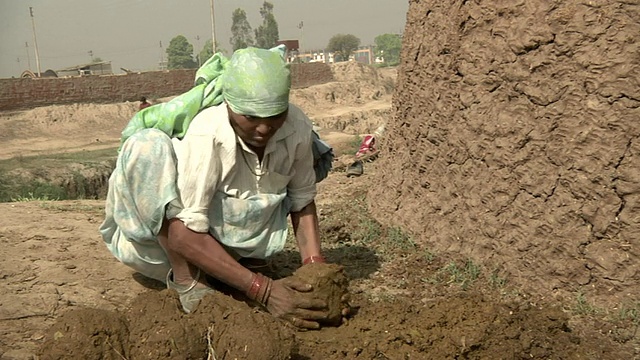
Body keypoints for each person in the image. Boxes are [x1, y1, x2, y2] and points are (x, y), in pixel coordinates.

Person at [100, 46, 344, 329]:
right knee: (147, 146)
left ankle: (242, 265)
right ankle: (188, 280)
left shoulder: (296, 125)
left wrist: (314, 267)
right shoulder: (207, 134)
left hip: (230, 248)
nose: (264, 129)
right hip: (162, 251)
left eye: (274, 116)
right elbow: (182, 235)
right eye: (251, 117)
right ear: (230, 105)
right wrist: (263, 290)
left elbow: (302, 201)